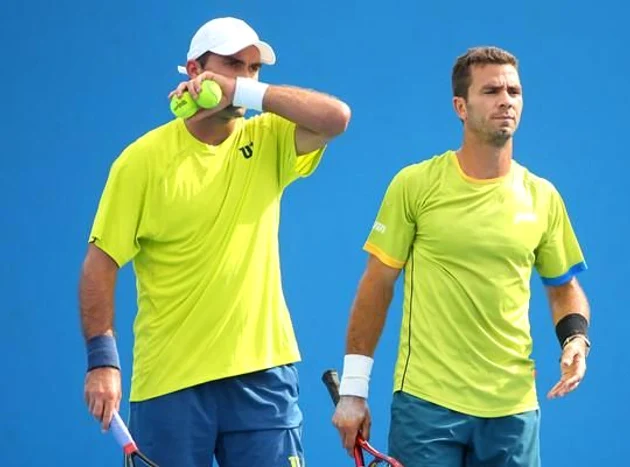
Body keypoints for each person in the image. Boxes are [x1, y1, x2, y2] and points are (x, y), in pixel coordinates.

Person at [79, 16, 351, 467]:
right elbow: (99, 265)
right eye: (232, 65)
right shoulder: (139, 162)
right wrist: (102, 361)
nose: (246, 76)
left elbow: (336, 118)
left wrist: (242, 91)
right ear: (193, 71)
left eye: (254, 68)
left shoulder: (269, 137)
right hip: (170, 383)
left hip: (263, 377)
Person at [331, 46, 591, 467]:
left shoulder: (543, 197)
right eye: (491, 91)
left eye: (514, 91)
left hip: (512, 409)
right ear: (460, 106)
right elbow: (376, 286)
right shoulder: (415, 185)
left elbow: (564, 288)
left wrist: (575, 339)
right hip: (427, 405)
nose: (506, 100)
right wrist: (354, 391)